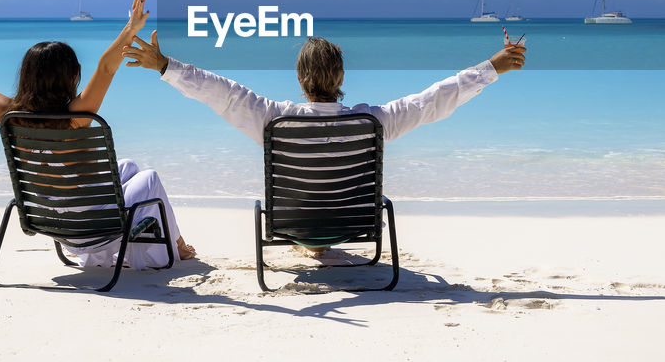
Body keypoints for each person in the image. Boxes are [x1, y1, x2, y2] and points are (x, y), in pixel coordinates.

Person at [123, 29, 526, 251]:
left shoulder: (275, 120)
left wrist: (164, 65)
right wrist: (490, 69)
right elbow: (432, 101)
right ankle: (320, 239)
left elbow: (219, 91)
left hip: (293, 226)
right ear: (342, 80)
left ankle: (309, 242)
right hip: (352, 226)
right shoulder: (372, 123)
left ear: (300, 81)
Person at [0, 0, 194, 268]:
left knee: (128, 167)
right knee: (149, 177)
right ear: (70, 77)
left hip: (52, 225)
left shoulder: (10, 116)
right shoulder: (75, 117)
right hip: (92, 231)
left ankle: (157, 242)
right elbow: (106, 67)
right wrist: (131, 28)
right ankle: (178, 244)